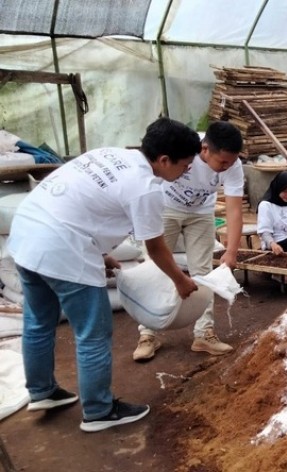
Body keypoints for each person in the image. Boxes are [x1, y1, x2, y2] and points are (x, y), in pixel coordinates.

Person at [8, 117, 200, 432]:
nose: (187, 171)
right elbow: (155, 247)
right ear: (165, 160)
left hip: (28, 234)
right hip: (62, 248)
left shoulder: (110, 154)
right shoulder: (146, 188)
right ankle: (99, 410)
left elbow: (80, 205)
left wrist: (100, 253)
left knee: (38, 321)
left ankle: (42, 392)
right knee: (93, 332)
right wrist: (180, 280)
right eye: (185, 165)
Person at [132, 121, 244, 361]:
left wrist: (232, 251)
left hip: (201, 213)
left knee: (203, 272)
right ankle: (148, 334)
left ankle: (204, 333)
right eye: (222, 162)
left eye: (231, 162)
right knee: (153, 268)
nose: (226, 167)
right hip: (165, 208)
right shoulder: (183, 148)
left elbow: (234, 209)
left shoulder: (233, 164)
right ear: (205, 149)